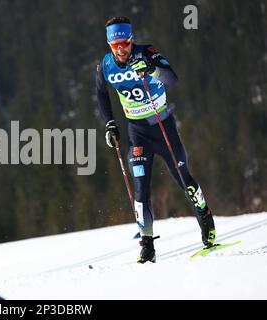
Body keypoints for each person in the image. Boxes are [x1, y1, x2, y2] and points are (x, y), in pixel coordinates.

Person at [95, 16, 216, 263]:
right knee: (141, 188)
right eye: (115, 45)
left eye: (125, 43)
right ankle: (147, 246)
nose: (121, 49)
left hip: (163, 128)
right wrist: (110, 124)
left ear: (132, 40)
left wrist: (152, 70)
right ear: (109, 45)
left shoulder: (147, 53)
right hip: (137, 132)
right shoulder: (105, 65)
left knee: (184, 179)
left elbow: (172, 79)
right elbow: (100, 92)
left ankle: (205, 219)